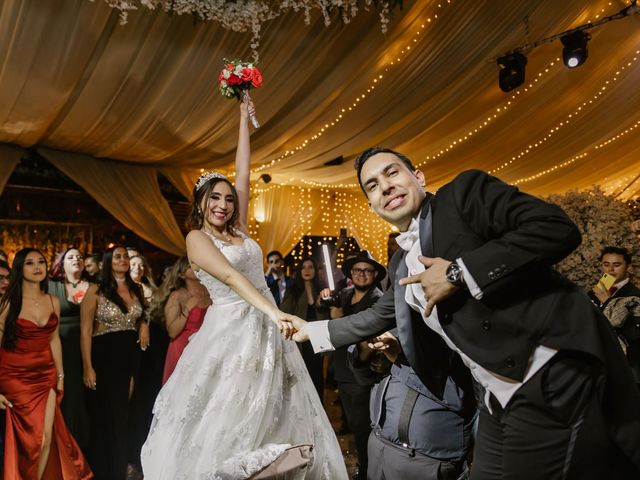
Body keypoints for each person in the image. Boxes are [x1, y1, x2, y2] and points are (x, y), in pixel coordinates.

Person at [289, 147, 640, 479]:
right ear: (372, 205)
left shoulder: (464, 196)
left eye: (392, 172)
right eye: (373, 185)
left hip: (543, 371)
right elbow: (380, 314)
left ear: (419, 176)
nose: (386, 186)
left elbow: (554, 227)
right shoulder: (399, 263)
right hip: (491, 394)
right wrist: (312, 330)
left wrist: (458, 272)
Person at [141, 99, 347, 479]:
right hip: (233, 329)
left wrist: (241, 118)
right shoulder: (197, 239)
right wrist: (272, 311)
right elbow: (234, 279)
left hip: (270, 329)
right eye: (214, 198)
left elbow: (243, 171)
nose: (223, 204)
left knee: (282, 404)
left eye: (228, 199)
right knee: (232, 411)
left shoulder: (240, 232)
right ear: (201, 203)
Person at [0, 248, 92, 479]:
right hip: (14, 377)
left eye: (41, 261)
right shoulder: (7, 303)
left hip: (46, 376)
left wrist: (60, 376)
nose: (37, 266)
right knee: (31, 442)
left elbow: (54, 340)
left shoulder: (53, 301)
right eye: (30, 263)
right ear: (19, 269)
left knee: (46, 439)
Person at [348, 330, 474, 480]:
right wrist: (365, 347)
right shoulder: (396, 321)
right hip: (378, 445)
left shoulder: (463, 333)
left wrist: (399, 360)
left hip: (423, 461)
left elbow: (460, 396)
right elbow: (364, 378)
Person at [80, 246, 148, 480]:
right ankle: (108, 470)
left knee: (127, 413)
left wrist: (144, 323)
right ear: (108, 261)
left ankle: (123, 465)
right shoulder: (96, 290)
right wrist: (88, 366)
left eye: (126, 256)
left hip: (131, 356)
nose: (124, 260)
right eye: (118, 256)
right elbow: (86, 330)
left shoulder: (136, 288)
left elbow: (141, 314)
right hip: (105, 355)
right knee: (108, 416)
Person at [320, 251, 387, 480]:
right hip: (342, 370)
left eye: (367, 270)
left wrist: (338, 318)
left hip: (362, 372)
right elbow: (324, 312)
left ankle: (369, 472)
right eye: (357, 270)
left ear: (375, 274)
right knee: (354, 424)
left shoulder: (378, 300)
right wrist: (325, 298)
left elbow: (361, 332)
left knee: (363, 428)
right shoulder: (345, 294)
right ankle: (364, 465)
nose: (361, 274)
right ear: (350, 273)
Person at [48, 247, 92, 451]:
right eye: (71, 257)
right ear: (61, 264)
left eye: (80, 257)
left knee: (88, 397)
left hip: (91, 346)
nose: (76, 259)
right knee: (70, 396)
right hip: (62, 347)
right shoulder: (51, 286)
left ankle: (88, 447)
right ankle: (67, 447)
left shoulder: (94, 286)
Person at [589, 246, 640, 384]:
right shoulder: (594, 292)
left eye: (616, 265)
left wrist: (607, 301)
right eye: (606, 264)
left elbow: (635, 334)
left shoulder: (635, 295)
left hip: (627, 366)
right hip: (597, 360)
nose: (610, 270)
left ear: (628, 267)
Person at [280, 257, 328, 402]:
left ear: (316, 271)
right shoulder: (293, 291)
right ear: (299, 271)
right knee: (301, 376)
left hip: (317, 340)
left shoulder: (322, 290)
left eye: (311, 267)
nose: (307, 270)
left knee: (317, 378)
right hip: (299, 341)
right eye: (304, 267)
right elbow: (285, 313)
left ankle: (318, 411)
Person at [160, 256, 210, 384]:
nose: (196, 267)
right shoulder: (177, 296)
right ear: (181, 274)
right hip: (182, 347)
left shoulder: (211, 293)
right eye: (190, 265)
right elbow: (172, 332)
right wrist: (188, 308)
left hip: (205, 346)